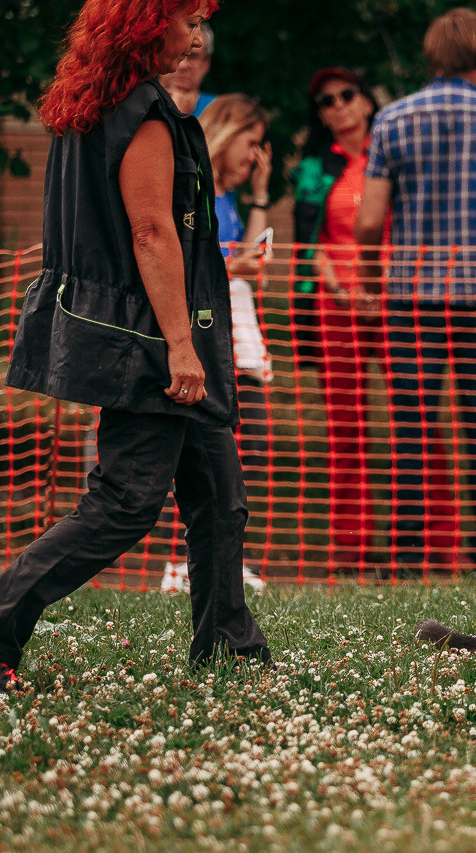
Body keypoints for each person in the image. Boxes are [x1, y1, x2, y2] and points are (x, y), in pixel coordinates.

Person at [0, 0, 270, 693]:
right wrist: (181, 346)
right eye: (185, 21)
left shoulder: (97, 105)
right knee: (124, 500)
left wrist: (205, 306)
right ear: (147, 26)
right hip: (152, 339)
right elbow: (151, 232)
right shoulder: (142, 114)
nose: (194, 36)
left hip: (162, 326)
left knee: (218, 497)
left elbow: (151, 235)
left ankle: (230, 651)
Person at [355, 8, 476, 571]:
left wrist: (370, 276)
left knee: (410, 431)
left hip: (410, 302)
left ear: (430, 57)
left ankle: (408, 559)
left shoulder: (391, 120)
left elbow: (368, 223)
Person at [290, 67, 461, 567]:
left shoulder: (399, 156)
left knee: (419, 419)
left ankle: (437, 542)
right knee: (347, 427)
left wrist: (381, 286)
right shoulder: (314, 168)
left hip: (398, 303)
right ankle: (353, 546)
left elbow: (417, 229)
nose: (338, 105)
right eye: (326, 100)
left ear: (367, 101)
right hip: (336, 306)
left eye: (347, 95)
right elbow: (308, 244)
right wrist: (345, 288)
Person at [159, 94, 271, 592]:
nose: (256, 157)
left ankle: (217, 560)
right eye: (252, 144)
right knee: (200, 456)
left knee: (244, 453)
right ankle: (183, 565)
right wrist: (234, 267)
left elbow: (244, 267)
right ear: (227, 134)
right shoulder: (193, 191)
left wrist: (263, 192)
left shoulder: (226, 198)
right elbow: (181, 268)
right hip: (200, 342)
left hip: (235, 341)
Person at [157, 21, 215, 116]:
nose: (183, 65)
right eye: (176, 54)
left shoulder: (221, 111)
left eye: (193, 57)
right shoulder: (136, 103)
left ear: (206, 64)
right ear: (158, 57)